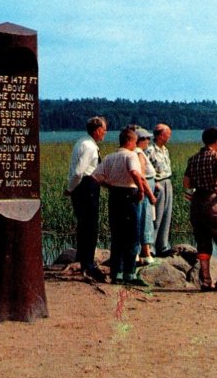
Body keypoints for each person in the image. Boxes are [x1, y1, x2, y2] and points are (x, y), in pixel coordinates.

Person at [91, 127, 155, 286]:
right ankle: (129, 273)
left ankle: (116, 273)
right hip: (130, 195)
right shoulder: (131, 155)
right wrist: (141, 191)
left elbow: (96, 177)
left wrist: (110, 186)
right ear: (131, 141)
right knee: (132, 236)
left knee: (117, 235)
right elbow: (135, 173)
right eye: (135, 141)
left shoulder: (109, 157)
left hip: (115, 196)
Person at [183, 127, 217, 292]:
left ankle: (206, 280)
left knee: (203, 240)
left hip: (197, 202)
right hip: (214, 200)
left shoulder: (193, 159)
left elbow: (186, 183)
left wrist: (192, 192)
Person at [64, 116, 107, 281]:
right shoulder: (89, 147)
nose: (105, 133)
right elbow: (78, 172)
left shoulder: (82, 142)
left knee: (84, 224)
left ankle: (82, 258)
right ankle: (88, 263)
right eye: (104, 130)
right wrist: (70, 188)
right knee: (90, 225)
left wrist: (71, 188)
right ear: (97, 130)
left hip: (82, 186)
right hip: (86, 186)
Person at [146, 123, 174, 257]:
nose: (169, 136)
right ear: (161, 135)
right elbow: (145, 168)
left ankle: (162, 245)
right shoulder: (150, 150)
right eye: (168, 134)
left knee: (166, 215)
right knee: (156, 216)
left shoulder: (165, 150)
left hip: (167, 181)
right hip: (157, 184)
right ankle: (150, 247)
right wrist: (154, 183)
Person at [132, 127, 157, 266]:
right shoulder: (139, 153)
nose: (148, 141)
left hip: (147, 188)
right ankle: (146, 253)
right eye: (146, 138)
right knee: (145, 220)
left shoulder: (137, 152)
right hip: (145, 192)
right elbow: (142, 176)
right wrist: (150, 193)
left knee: (143, 220)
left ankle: (140, 252)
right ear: (139, 140)